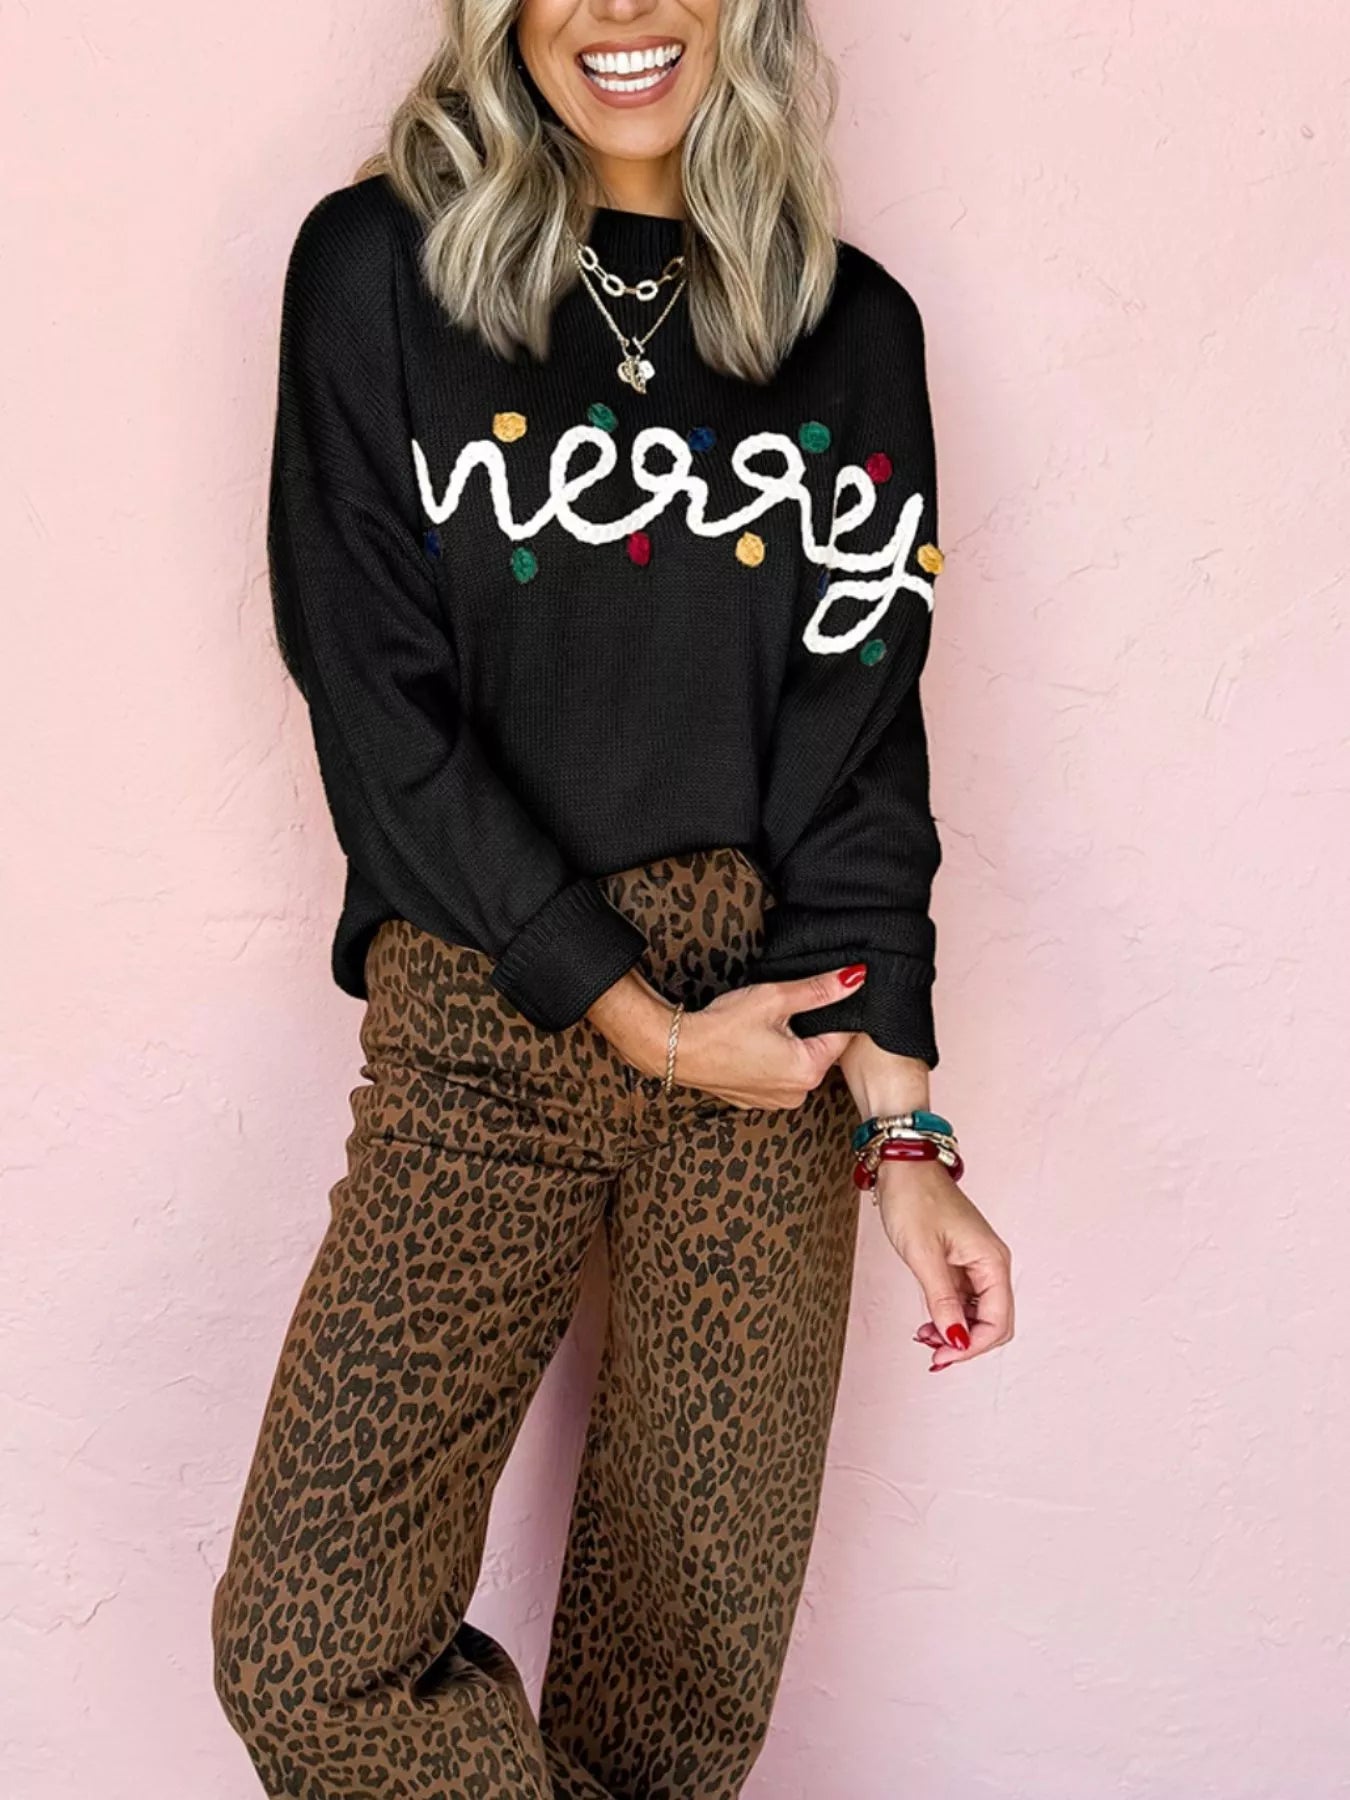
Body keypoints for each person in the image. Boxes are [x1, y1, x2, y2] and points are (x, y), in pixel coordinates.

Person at [211, 2, 1015, 1795]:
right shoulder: (378, 270)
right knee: (313, 1653)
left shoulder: (848, 330)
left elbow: (858, 748)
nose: (622, 10)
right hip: (481, 1009)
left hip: (771, 1037)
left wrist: (906, 1137)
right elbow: (373, 705)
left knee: (674, 1710)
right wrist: (631, 1015)